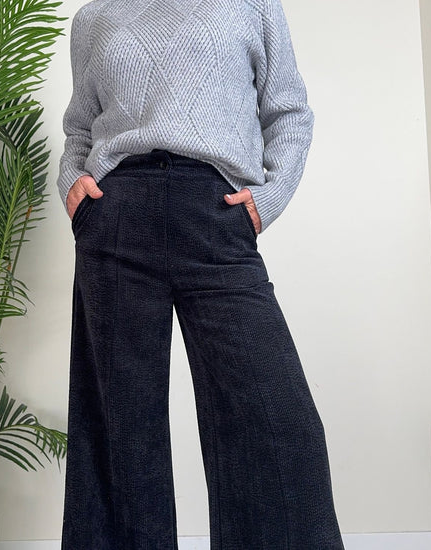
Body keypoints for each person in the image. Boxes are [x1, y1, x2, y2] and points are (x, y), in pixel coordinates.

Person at [57, 0, 345, 548]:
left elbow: (289, 113)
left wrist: (267, 198)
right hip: (116, 216)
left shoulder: (252, 5)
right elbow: (79, 129)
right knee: (120, 427)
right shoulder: (94, 18)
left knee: (279, 421)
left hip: (215, 213)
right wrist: (74, 184)